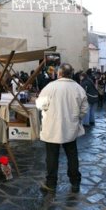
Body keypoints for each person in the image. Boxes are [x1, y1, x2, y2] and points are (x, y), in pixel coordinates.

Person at [36, 63, 89, 193]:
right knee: (72, 155)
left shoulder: (50, 87)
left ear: (59, 73)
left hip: (52, 127)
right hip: (70, 127)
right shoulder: (78, 88)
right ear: (71, 74)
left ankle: (51, 183)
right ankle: (75, 182)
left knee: (52, 157)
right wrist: (76, 118)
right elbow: (84, 109)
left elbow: (40, 105)